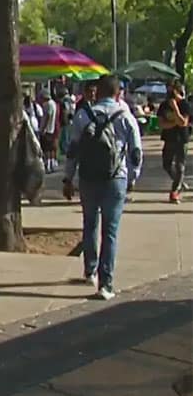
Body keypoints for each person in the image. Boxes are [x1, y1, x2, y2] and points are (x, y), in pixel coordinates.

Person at [63, 75, 142, 301]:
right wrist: (132, 179)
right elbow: (135, 153)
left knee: (90, 224)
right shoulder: (125, 116)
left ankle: (90, 270)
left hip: (88, 178)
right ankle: (106, 284)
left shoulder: (83, 116)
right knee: (110, 231)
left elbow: (72, 151)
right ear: (118, 93)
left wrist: (68, 179)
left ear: (98, 92)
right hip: (116, 178)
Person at [157, 80, 191, 203]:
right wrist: (174, 123)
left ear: (177, 91)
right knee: (166, 164)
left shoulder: (184, 105)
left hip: (182, 139)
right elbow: (161, 124)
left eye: (172, 90)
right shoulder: (163, 105)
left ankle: (174, 191)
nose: (169, 93)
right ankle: (179, 182)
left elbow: (183, 123)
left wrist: (175, 109)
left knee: (180, 166)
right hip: (169, 139)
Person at [38, 89, 59, 173]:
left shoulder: (47, 104)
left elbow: (47, 116)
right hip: (52, 128)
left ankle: (48, 165)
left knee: (46, 148)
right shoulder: (53, 103)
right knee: (51, 148)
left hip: (47, 129)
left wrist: (43, 128)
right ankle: (52, 164)